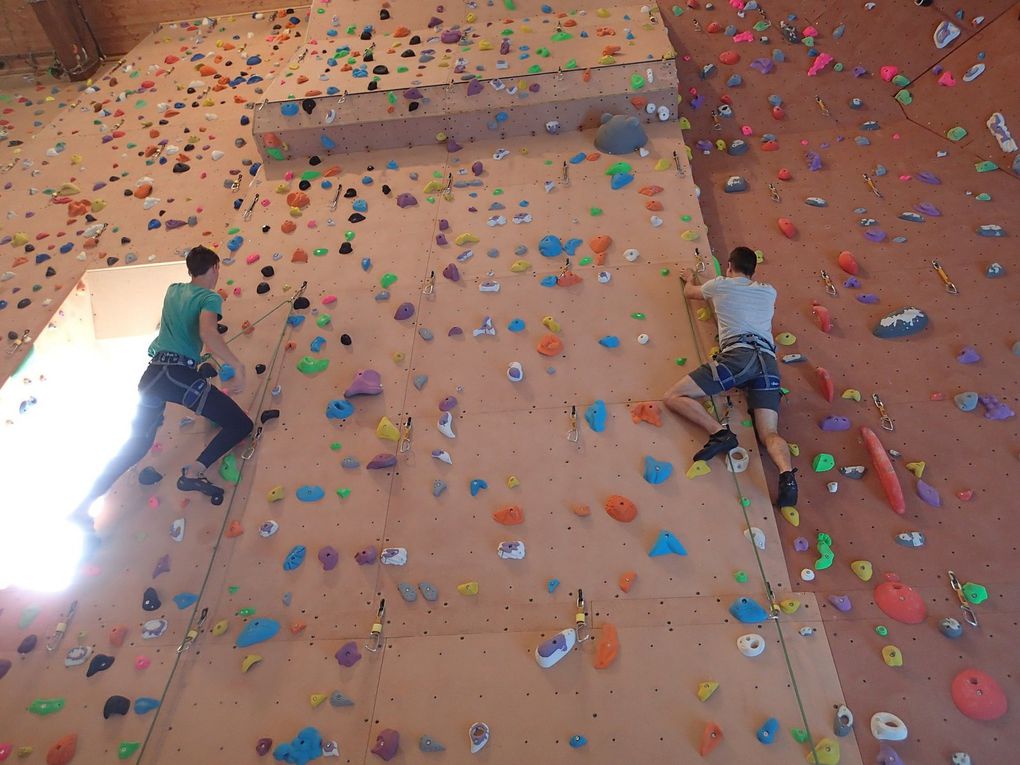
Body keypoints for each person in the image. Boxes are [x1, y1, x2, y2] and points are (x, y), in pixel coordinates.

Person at [71, 245, 254, 535]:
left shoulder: (173, 290)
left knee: (136, 446)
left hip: (152, 376)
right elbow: (207, 332)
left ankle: (82, 506)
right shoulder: (209, 296)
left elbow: (179, 329)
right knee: (241, 423)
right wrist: (236, 364)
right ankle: (194, 471)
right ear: (216, 268)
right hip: (176, 375)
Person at [664, 246, 798, 508]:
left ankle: (719, 433)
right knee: (769, 432)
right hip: (768, 363)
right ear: (753, 270)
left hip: (738, 357)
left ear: (729, 265)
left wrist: (691, 276)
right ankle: (786, 475)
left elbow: (690, 293)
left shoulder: (720, 284)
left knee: (674, 396)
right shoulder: (769, 291)